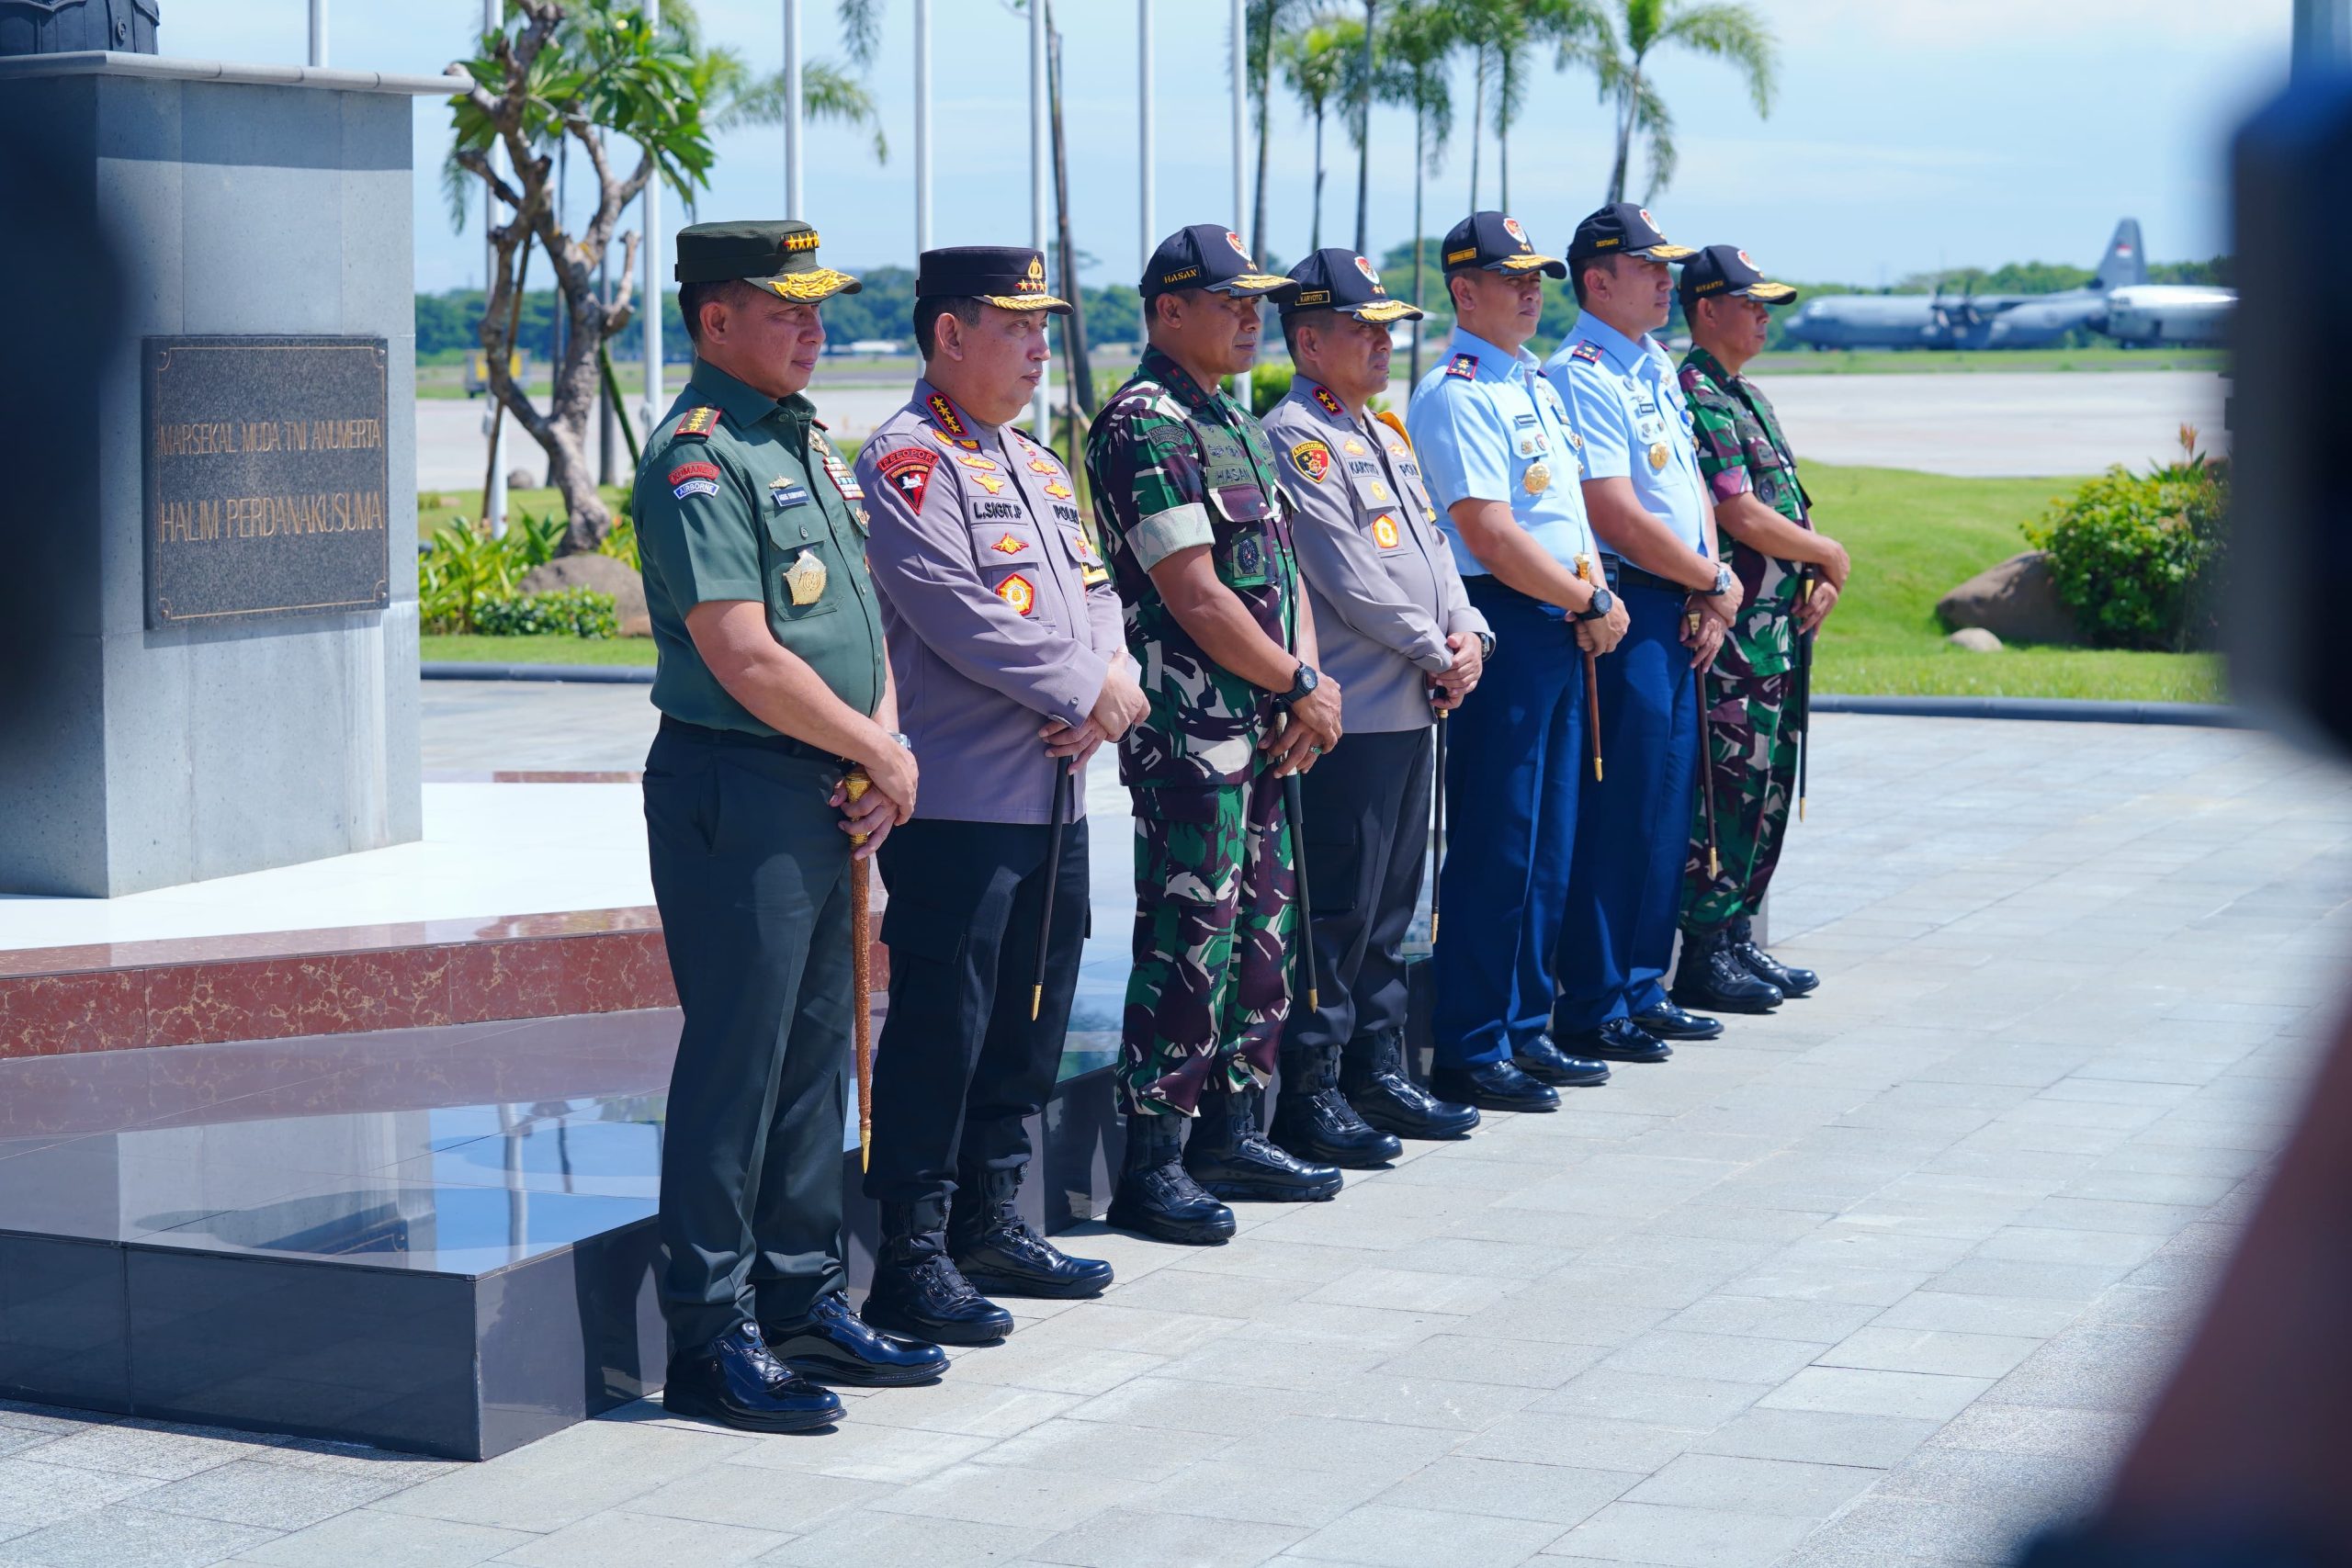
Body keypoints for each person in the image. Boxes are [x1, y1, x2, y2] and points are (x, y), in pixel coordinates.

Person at [634, 220, 947, 1433]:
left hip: (824, 786)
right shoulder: (698, 458)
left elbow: (854, 619)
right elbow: (742, 651)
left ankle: (805, 1292)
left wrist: (878, 742)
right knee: (739, 1064)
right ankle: (708, 1338)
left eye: (817, 308)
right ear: (716, 320)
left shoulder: (796, 440)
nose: (813, 328)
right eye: (786, 308)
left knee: (819, 1054)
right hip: (740, 788)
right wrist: (878, 750)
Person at [854, 246, 1143, 1344]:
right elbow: (952, 608)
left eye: (1040, 327)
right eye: (1013, 326)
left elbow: (1097, 590)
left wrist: (1108, 686)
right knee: (943, 1026)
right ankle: (913, 1257)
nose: (1035, 347)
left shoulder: (1036, 461)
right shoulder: (907, 462)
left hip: (1057, 795)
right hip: (963, 803)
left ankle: (992, 1220)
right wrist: (1086, 687)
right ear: (947, 335)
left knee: (1029, 1023)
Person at [1083, 223, 1346, 1245]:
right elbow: (1194, 595)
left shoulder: (1229, 422)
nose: (1251, 315)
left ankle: (1232, 1127)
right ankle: (1153, 1161)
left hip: (1265, 723)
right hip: (1193, 735)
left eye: (1256, 301)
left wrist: (1303, 682)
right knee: (1186, 942)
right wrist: (1297, 682)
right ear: (1166, 311)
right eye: (1229, 300)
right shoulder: (1144, 427)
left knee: (1260, 937)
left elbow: (1281, 577)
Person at [1261, 248, 1486, 1160]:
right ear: (1308, 339)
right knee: (1338, 909)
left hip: (1417, 703)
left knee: (1393, 905)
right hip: (1352, 717)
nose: (1382, 341)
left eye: (1386, 327)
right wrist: (1439, 649)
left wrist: (1473, 636)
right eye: (1362, 327)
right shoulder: (1295, 437)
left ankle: (1377, 1071)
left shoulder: (1383, 434)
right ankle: (1312, 1088)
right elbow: (1348, 577)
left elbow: (1435, 555)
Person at [1406, 212, 1626, 1113]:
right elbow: (1491, 535)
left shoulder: (1527, 383)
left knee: (1548, 840)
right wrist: (1591, 601)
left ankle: (1524, 1027)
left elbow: (1560, 519)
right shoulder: (1456, 392)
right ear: (1464, 291)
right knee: (1499, 840)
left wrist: (1589, 595)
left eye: (1537, 276)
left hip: (1563, 617)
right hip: (1511, 617)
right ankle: (1469, 1042)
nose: (1533, 290)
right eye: (1511, 278)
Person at [1548, 202, 1772, 1067]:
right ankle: (1597, 995)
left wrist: (1711, 586)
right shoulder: (1584, 371)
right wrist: (1708, 580)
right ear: (1598, 280)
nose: (1665, 280)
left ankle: (1644, 983)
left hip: (1681, 597)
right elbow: (1615, 511)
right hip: (1632, 601)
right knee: (1622, 808)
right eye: (1648, 267)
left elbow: (1691, 500)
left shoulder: (1648, 368)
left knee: (1667, 805)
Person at [1671, 245, 1843, 1008]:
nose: (1764, 317)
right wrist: (1831, 554)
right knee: (1729, 793)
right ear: (1709, 308)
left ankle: (1740, 934)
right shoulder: (1698, 392)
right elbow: (1738, 513)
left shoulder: (1747, 397)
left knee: (1767, 791)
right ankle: (1706, 949)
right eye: (1752, 303)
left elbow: (1781, 511)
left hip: (1777, 632)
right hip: (1737, 642)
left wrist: (1813, 577)